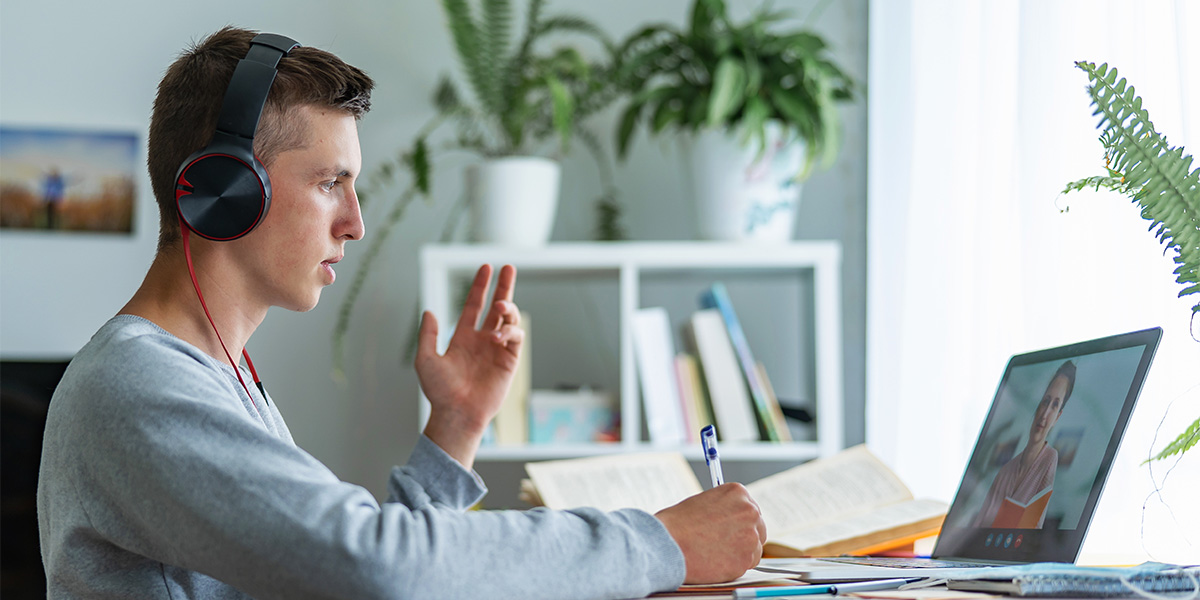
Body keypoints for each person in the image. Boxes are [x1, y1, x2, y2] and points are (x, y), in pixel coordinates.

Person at [36, 26, 766, 599]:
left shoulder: (218, 378)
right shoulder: (134, 387)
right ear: (227, 190)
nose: (355, 222)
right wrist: (656, 542)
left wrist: (455, 426)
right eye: (331, 183)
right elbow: (375, 569)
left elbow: (354, 571)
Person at [971, 360, 1076, 528]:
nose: (1045, 414)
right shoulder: (1005, 472)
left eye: (1055, 405)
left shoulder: (1050, 458)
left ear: (1058, 417)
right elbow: (978, 527)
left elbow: (1035, 528)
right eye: (1045, 401)